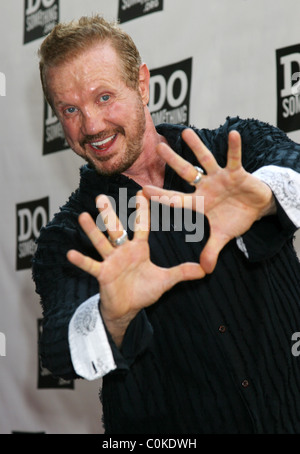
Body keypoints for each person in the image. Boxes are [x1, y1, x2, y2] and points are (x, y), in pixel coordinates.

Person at [32, 15, 300, 434]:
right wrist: (112, 316)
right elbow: (59, 349)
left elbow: (293, 167)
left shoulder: (233, 148)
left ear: (141, 84)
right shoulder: (70, 234)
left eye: (104, 97)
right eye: (70, 109)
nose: (91, 126)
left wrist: (263, 199)